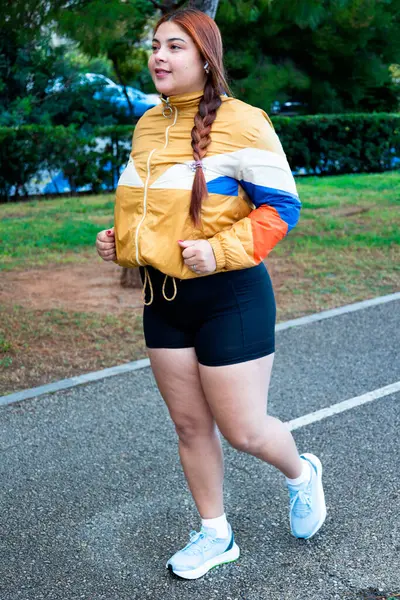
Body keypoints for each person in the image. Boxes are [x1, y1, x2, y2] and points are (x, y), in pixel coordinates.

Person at [95, 7, 326, 581]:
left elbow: (283, 207)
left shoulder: (245, 121)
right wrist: (120, 240)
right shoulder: (148, 124)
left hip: (232, 296)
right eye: (155, 46)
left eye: (174, 47)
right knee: (190, 428)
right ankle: (215, 534)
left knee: (244, 430)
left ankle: (302, 475)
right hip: (164, 300)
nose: (158, 57)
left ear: (205, 57)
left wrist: (220, 250)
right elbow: (152, 207)